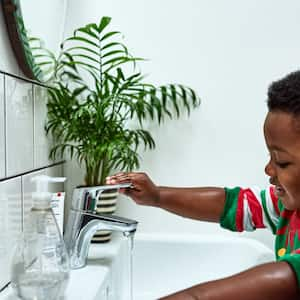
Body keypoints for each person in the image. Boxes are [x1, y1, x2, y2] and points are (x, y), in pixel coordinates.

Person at [106, 70, 300, 300]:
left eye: (281, 162)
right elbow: (230, 204)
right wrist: (156, 195)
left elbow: (286, 278)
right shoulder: (288, 209)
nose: (269, 169)